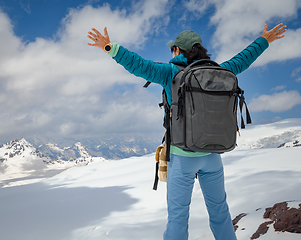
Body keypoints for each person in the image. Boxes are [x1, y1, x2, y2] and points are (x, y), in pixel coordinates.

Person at [87, 23, 287, 240]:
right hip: (212, 155)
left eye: (172, 49)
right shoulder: (219, 71)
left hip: (182, 157)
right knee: (220, 212)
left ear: (177, 50)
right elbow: (242, 59)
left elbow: (139, 65)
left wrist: (110, 48)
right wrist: (264, 40)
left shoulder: (170, 73)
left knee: (178, 216)